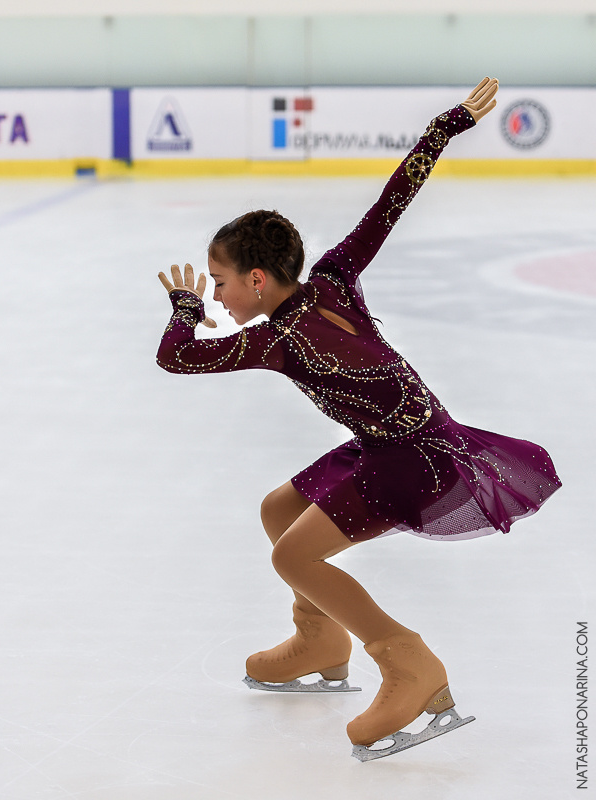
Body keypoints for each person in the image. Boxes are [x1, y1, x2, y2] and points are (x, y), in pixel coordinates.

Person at [156, 78, 561, 759]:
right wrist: (442, 130)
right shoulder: (333, 277)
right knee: (279, 511)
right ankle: (320, 640)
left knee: (293, 552)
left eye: (219, 281)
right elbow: (392, 203)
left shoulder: (273, 338)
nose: (216, 294)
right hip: (391, 443)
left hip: (416, 461)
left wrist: (185, 312)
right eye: (208, 287)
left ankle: (407, 662)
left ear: (258, 279)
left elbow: (177, 358)